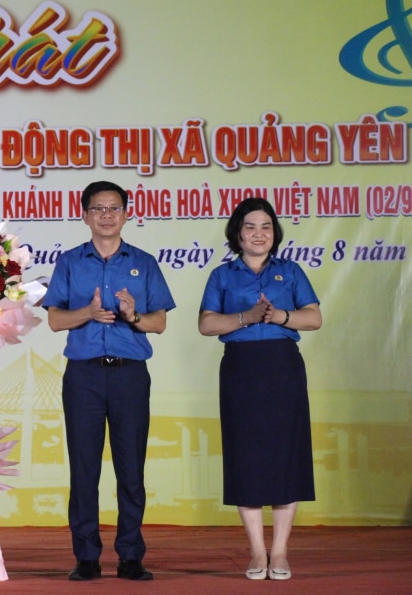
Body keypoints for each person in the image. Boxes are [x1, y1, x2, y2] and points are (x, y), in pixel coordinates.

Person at [42, 180, 175, 582]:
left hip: (130, 376)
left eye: (114, 208)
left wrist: (132, 316)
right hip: (82, 376)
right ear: (85, 215)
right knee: (84, 469)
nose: (106, 215)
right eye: (98, 209)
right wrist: (88, 311)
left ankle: (131, 556)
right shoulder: (69, 262)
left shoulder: (145, 262)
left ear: (125, 214)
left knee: (131, 469)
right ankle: (86, 557)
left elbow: (160, 323)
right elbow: (54, 320)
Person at [198, 197, 321, 581]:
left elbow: (314, 317)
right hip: (241, 371)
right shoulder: (222, 275)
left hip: (283, 368)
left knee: (286, 458)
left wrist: (280, 316)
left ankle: (280, 552)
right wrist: (246, 318)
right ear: (238, 233)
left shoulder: (292, 271)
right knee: (246, 459)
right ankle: (256, 552)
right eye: (250, 227)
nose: (258, 234)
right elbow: (205, 324)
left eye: (266, 227)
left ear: (275, 233)